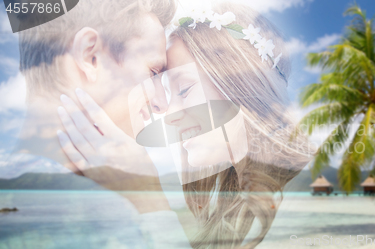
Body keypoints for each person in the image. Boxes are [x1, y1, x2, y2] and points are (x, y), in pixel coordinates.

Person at [58, 3, 314, 248]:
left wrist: (148, 196)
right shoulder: (239, 202)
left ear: (240, 82)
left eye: (184, 89)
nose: (168, 112)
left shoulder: (302, 202)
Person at [1, 0, 185, 248]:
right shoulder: (100, 223)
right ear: (91, 56)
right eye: (153, 73)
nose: (161, 104)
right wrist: (151, 201)